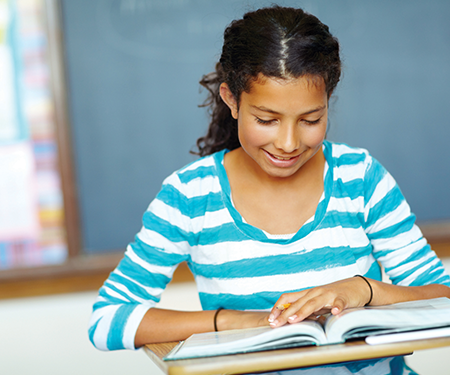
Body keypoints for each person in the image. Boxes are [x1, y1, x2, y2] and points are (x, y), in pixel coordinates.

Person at [88, 5, 450, 374]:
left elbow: (444, 296)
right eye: (266, 120)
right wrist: (233, 321)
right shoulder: (189, 196)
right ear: (231, 100)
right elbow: (107, 321)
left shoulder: (360, 179)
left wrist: (364, 290)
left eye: (311, 119)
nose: (289, 143)